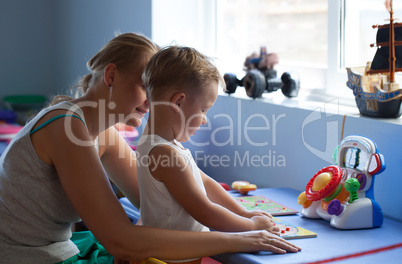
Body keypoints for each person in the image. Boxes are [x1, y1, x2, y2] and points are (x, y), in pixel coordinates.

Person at [0, 33, 300, 264]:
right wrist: (240, 238)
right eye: (147, 86)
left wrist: (244, 216)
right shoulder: (66, 127)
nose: (152, 100)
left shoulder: (104, 134)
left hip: (57, 248)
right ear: (112, 76)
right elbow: (121, 241)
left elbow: (154, 199)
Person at [137, 46, 301, 263]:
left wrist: (244, 213)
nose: (205, 119)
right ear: (177, 102)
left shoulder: (158, 144)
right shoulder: (166, 154)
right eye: (203, 109)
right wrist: (251, 226)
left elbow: (207, 184)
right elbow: (205, 212)